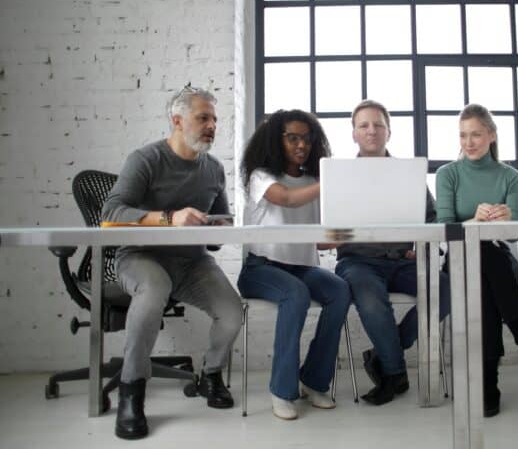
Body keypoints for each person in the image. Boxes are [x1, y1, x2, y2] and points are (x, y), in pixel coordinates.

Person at [101, 86, 243, 440]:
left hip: (191, 262)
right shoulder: (146, 159)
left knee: (232, 311)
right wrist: (169, 218)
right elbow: (110, 214)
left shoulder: (213, 169)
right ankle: (132, 392)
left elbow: (215, 229)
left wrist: (220, 226)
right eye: (203, 118)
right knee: (154, 290)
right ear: (177, 121)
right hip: (140, 257)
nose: (212, 125)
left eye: (214, 119)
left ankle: (209, 376)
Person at [435, 103, 518, 418]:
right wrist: (474, 222)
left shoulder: (510, 176)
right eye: (463, 135)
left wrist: (505, 220)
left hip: (499, 258)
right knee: (482, 261)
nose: (469, 142)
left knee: (488, 259)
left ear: (490, 135)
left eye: (475, 134)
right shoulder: (448, 174)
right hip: (460, 262)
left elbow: (514, 235)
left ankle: (488, 382)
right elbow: (443, 229)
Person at [334, 99, 451, 406]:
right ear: (354, 134)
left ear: (389, 131)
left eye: (378, 124)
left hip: (402, 261)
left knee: (448, 289)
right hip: (358, 262)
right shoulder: (338, 174)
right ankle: (395, 372)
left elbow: (431, 218)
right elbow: (330, 226)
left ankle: (386, 358)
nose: (371, 130)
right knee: (371, 300)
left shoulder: (408, 173)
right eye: (364, 125)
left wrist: (421, 249)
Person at [237, 109, 351, 420]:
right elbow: (287, 198)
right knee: (296, 293)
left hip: (300, 267)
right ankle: (282, 390)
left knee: (340, 290)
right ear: (276, 140)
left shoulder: (313, 181)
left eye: (307, 138)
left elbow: (320, 239)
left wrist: (354, 232)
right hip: (260, 268)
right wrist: (333, 181)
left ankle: (313, 380)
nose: (302, 145)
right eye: (293, 138)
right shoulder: (261, 176)